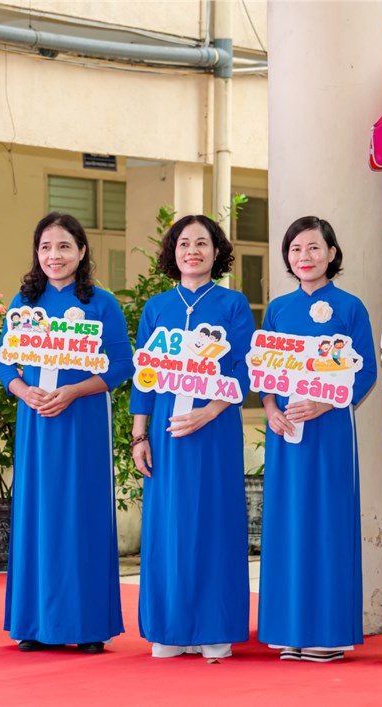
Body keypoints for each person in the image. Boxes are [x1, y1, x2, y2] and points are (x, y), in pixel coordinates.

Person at [0, 212, 133, 654]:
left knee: (82, 513)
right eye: (45, 247)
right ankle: (34, 623)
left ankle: (88, 624)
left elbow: (122, 365)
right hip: (37, 421)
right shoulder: (24, 302)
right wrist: (22, 391)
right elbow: (4, 361)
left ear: (82, 251)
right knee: (37, 513)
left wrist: (74, 391)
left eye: (63, 247)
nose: (53, 256)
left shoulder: (102, 303)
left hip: (83, 420)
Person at [130, 215, 254, 659]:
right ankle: (169, 628)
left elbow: (245, 368)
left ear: (217, 252)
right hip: (165, 430)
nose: (193, 251)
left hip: (215, 428)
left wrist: (210, 410)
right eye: (184, 243)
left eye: (202, 243)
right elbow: (143, 376)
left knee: (214, 522)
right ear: (173, 252)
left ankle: (213, 628)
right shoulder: (157, 307)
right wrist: (139, 436)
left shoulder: (233, 304)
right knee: (168, 525)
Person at [257, 216, 376, 662]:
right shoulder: (277, 310)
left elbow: (366, 371)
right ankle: (288, 630)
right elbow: (262, 368)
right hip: (285, 431)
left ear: (331, 253)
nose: (304, 257)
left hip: (329, 431)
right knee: (287, 524)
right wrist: (270, 409)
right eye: (295, 249)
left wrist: (324, 404)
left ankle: (326, 634)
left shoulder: (350, 307)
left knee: (327, 523)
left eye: (313, 248)